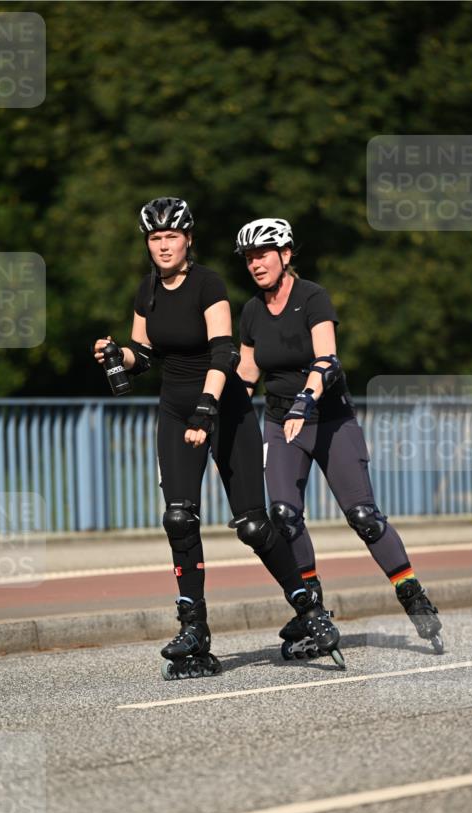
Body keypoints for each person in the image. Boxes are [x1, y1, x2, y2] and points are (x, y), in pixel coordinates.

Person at [93, 198, 345, 679]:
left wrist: (207, 409)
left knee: (252, 524)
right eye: (155, 238)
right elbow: (144, 355)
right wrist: (115, 353)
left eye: (171, 236)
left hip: (224, 410)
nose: (163, 246)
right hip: (175, 410)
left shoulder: (209, 284)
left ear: (188, 239)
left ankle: (309, 610)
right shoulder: (147, 290)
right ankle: (194, 629)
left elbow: (224, 352)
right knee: (178, 518)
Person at [234, 217, 444, 655]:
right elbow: (247, 374)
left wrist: (304, 402)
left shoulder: (312, 297)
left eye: (263, 254)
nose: (255, 264)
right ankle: (312, 609)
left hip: (329, 419)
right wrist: (217, 409)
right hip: (281, 423)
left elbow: (327, 360)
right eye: (249, 257)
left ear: (285, 254)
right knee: (284, 516)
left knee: (363, 516)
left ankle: (412, 594)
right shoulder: (251, 310)